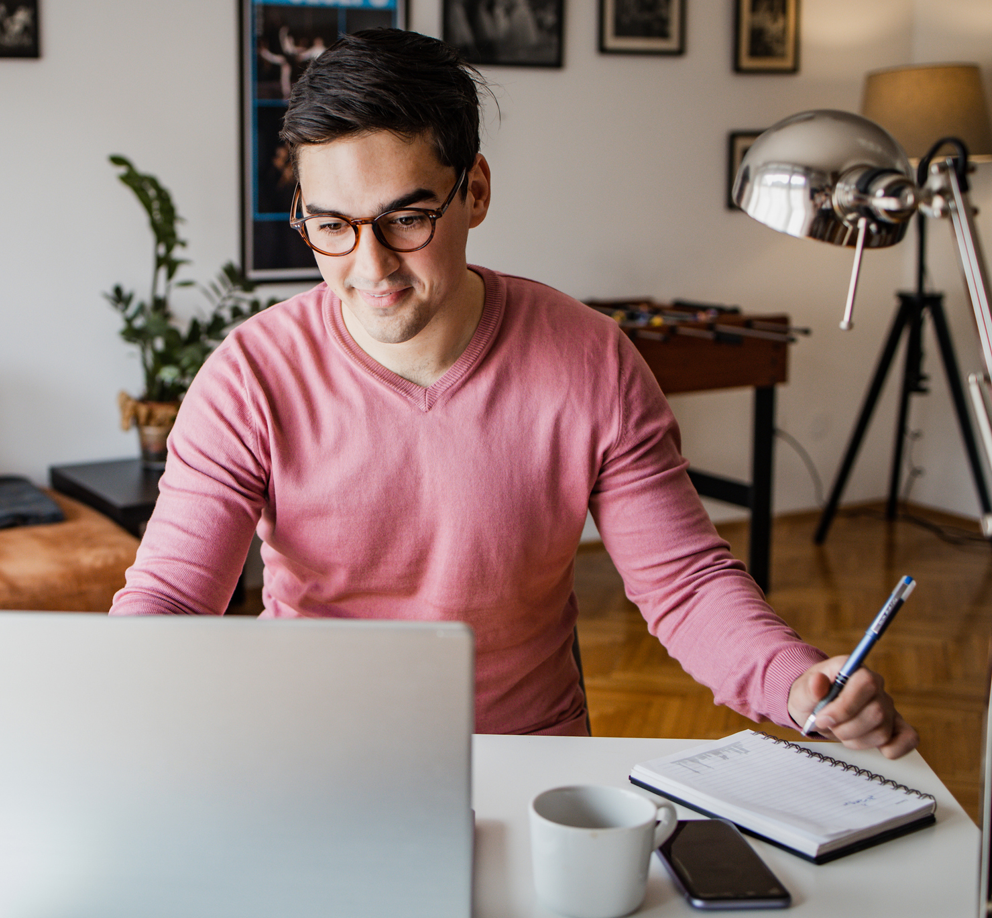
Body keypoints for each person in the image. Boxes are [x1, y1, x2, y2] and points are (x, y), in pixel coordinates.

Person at [110, 28, 918, 760]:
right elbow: (175, 595)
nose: (370, 267)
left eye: (405, 218)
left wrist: (792, 679)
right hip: (310, 753)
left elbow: (685, 583)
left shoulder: (589, 358)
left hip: (526, 754)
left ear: (476, 192)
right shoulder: (250, 374)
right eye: (331, 226)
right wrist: (106, 699)